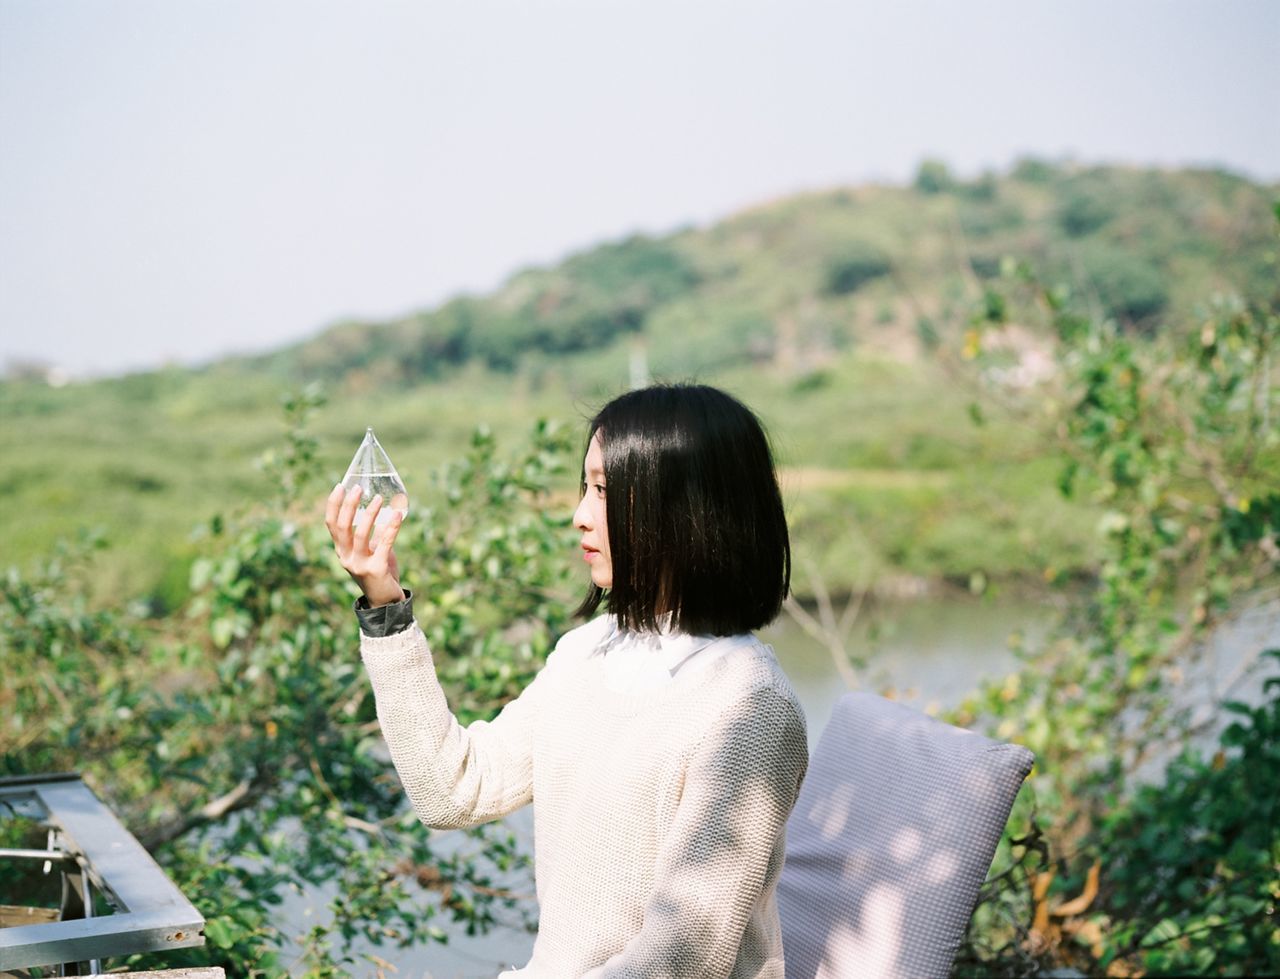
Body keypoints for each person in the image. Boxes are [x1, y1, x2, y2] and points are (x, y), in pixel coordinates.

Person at [325, 384, 809, 978]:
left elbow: (682, 957)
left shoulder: (750, 706)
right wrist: (384, 601)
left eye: (604, 490)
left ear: (684, 508)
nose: (580, 513)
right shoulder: (587, 653)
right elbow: (452, 788)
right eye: (586, 487)